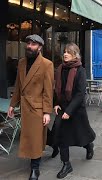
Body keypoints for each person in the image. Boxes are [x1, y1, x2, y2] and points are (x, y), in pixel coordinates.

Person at [7, 34, 54, 180]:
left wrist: (47, 112)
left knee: (34, 138)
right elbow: (18, 85)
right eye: (28, 43)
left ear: (40, 47)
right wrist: (12, 105)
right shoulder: (21, 63)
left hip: (37, 108)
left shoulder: (47, 64)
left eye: (33, 44)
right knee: (35, 136)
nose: (29, 46)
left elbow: (48, 90)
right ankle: (55, 144)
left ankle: (35, 169)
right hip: (24, 107)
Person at [53, 43, 96, 179]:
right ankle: (66, 164)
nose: (65, 54)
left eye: (69, 52)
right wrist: (56, 104)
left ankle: (89, 146)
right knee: (62, 137)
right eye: (64, 52)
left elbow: (80, 93)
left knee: (81, 134)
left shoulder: (80, 70)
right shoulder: (60, 68)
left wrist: (69, 111)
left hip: (76, 110)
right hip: (62, 108)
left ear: (75, 55)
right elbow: (56, 89)